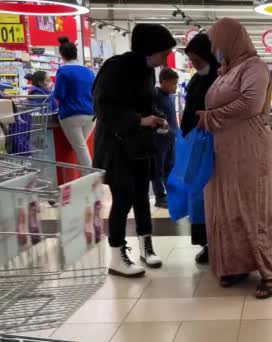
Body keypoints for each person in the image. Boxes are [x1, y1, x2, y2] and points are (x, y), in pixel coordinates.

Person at [197, 18, 272, 299]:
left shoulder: (254, 67)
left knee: (252, 208)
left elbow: (250, 104)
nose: (215, 48)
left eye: (217, 42)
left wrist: (210, 118)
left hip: (249, 151)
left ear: (232, 39)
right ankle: (236, 265)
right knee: (228, 208)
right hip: (223, 154)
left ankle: (270, 273)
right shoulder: (226, 71)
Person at [93, 23, 176, 277]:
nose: (165, 60)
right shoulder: (116, 68)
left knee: (142, 196)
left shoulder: (147, 72)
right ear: (150, 50)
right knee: (123, 199)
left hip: (141, 146)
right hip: (117, 147)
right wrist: (138, 121)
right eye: (163, 53)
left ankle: (146, 246)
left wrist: (157, 117)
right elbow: (103, 106)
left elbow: (147, 102)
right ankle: (116, 254)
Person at [181, 33, 220, 264]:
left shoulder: (222, 78)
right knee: (198, 196)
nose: (194, 64)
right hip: (196, 146)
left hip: (218, 147)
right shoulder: (196, 81)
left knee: (215, 196)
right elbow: (187, 112)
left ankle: (221, 242)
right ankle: (206, 244)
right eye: (191, 60)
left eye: (197, 59)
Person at [53, 36, 96, 167]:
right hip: (91, 114)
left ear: (62, 55)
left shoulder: (63, 71)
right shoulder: (89, 71)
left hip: (71, 114)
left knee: (81, 149)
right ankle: (88, 179)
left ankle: (92, 179)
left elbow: (59, 94)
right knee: (81, 147)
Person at [151, 68, 179, 209]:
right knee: (158, 168)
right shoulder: (155, 95)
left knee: (170, 166)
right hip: (159, 139)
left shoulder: (170, 96)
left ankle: (171, 193)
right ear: (164, 82)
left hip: (171, 138)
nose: (175, 87)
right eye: (173, 84)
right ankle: (159, 196)